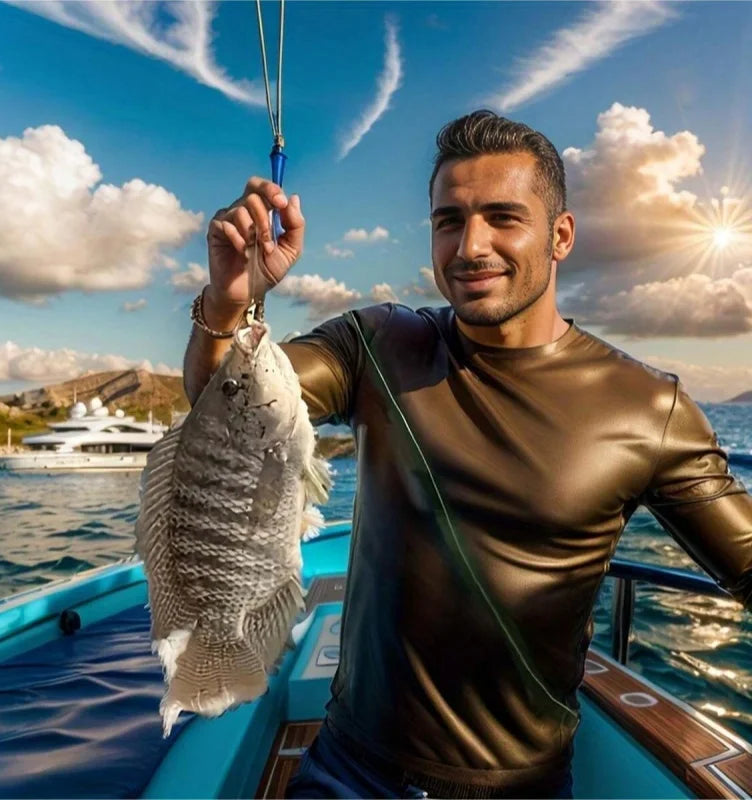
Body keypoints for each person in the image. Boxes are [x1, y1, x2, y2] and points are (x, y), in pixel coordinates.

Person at [183, 110, 752, 799]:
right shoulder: (377, 344)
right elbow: (227, 405)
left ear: (560, 235)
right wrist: (227, 302)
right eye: (448, 221)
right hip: (348, 767)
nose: (470, 246)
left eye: (503, 218)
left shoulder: (647, 408)